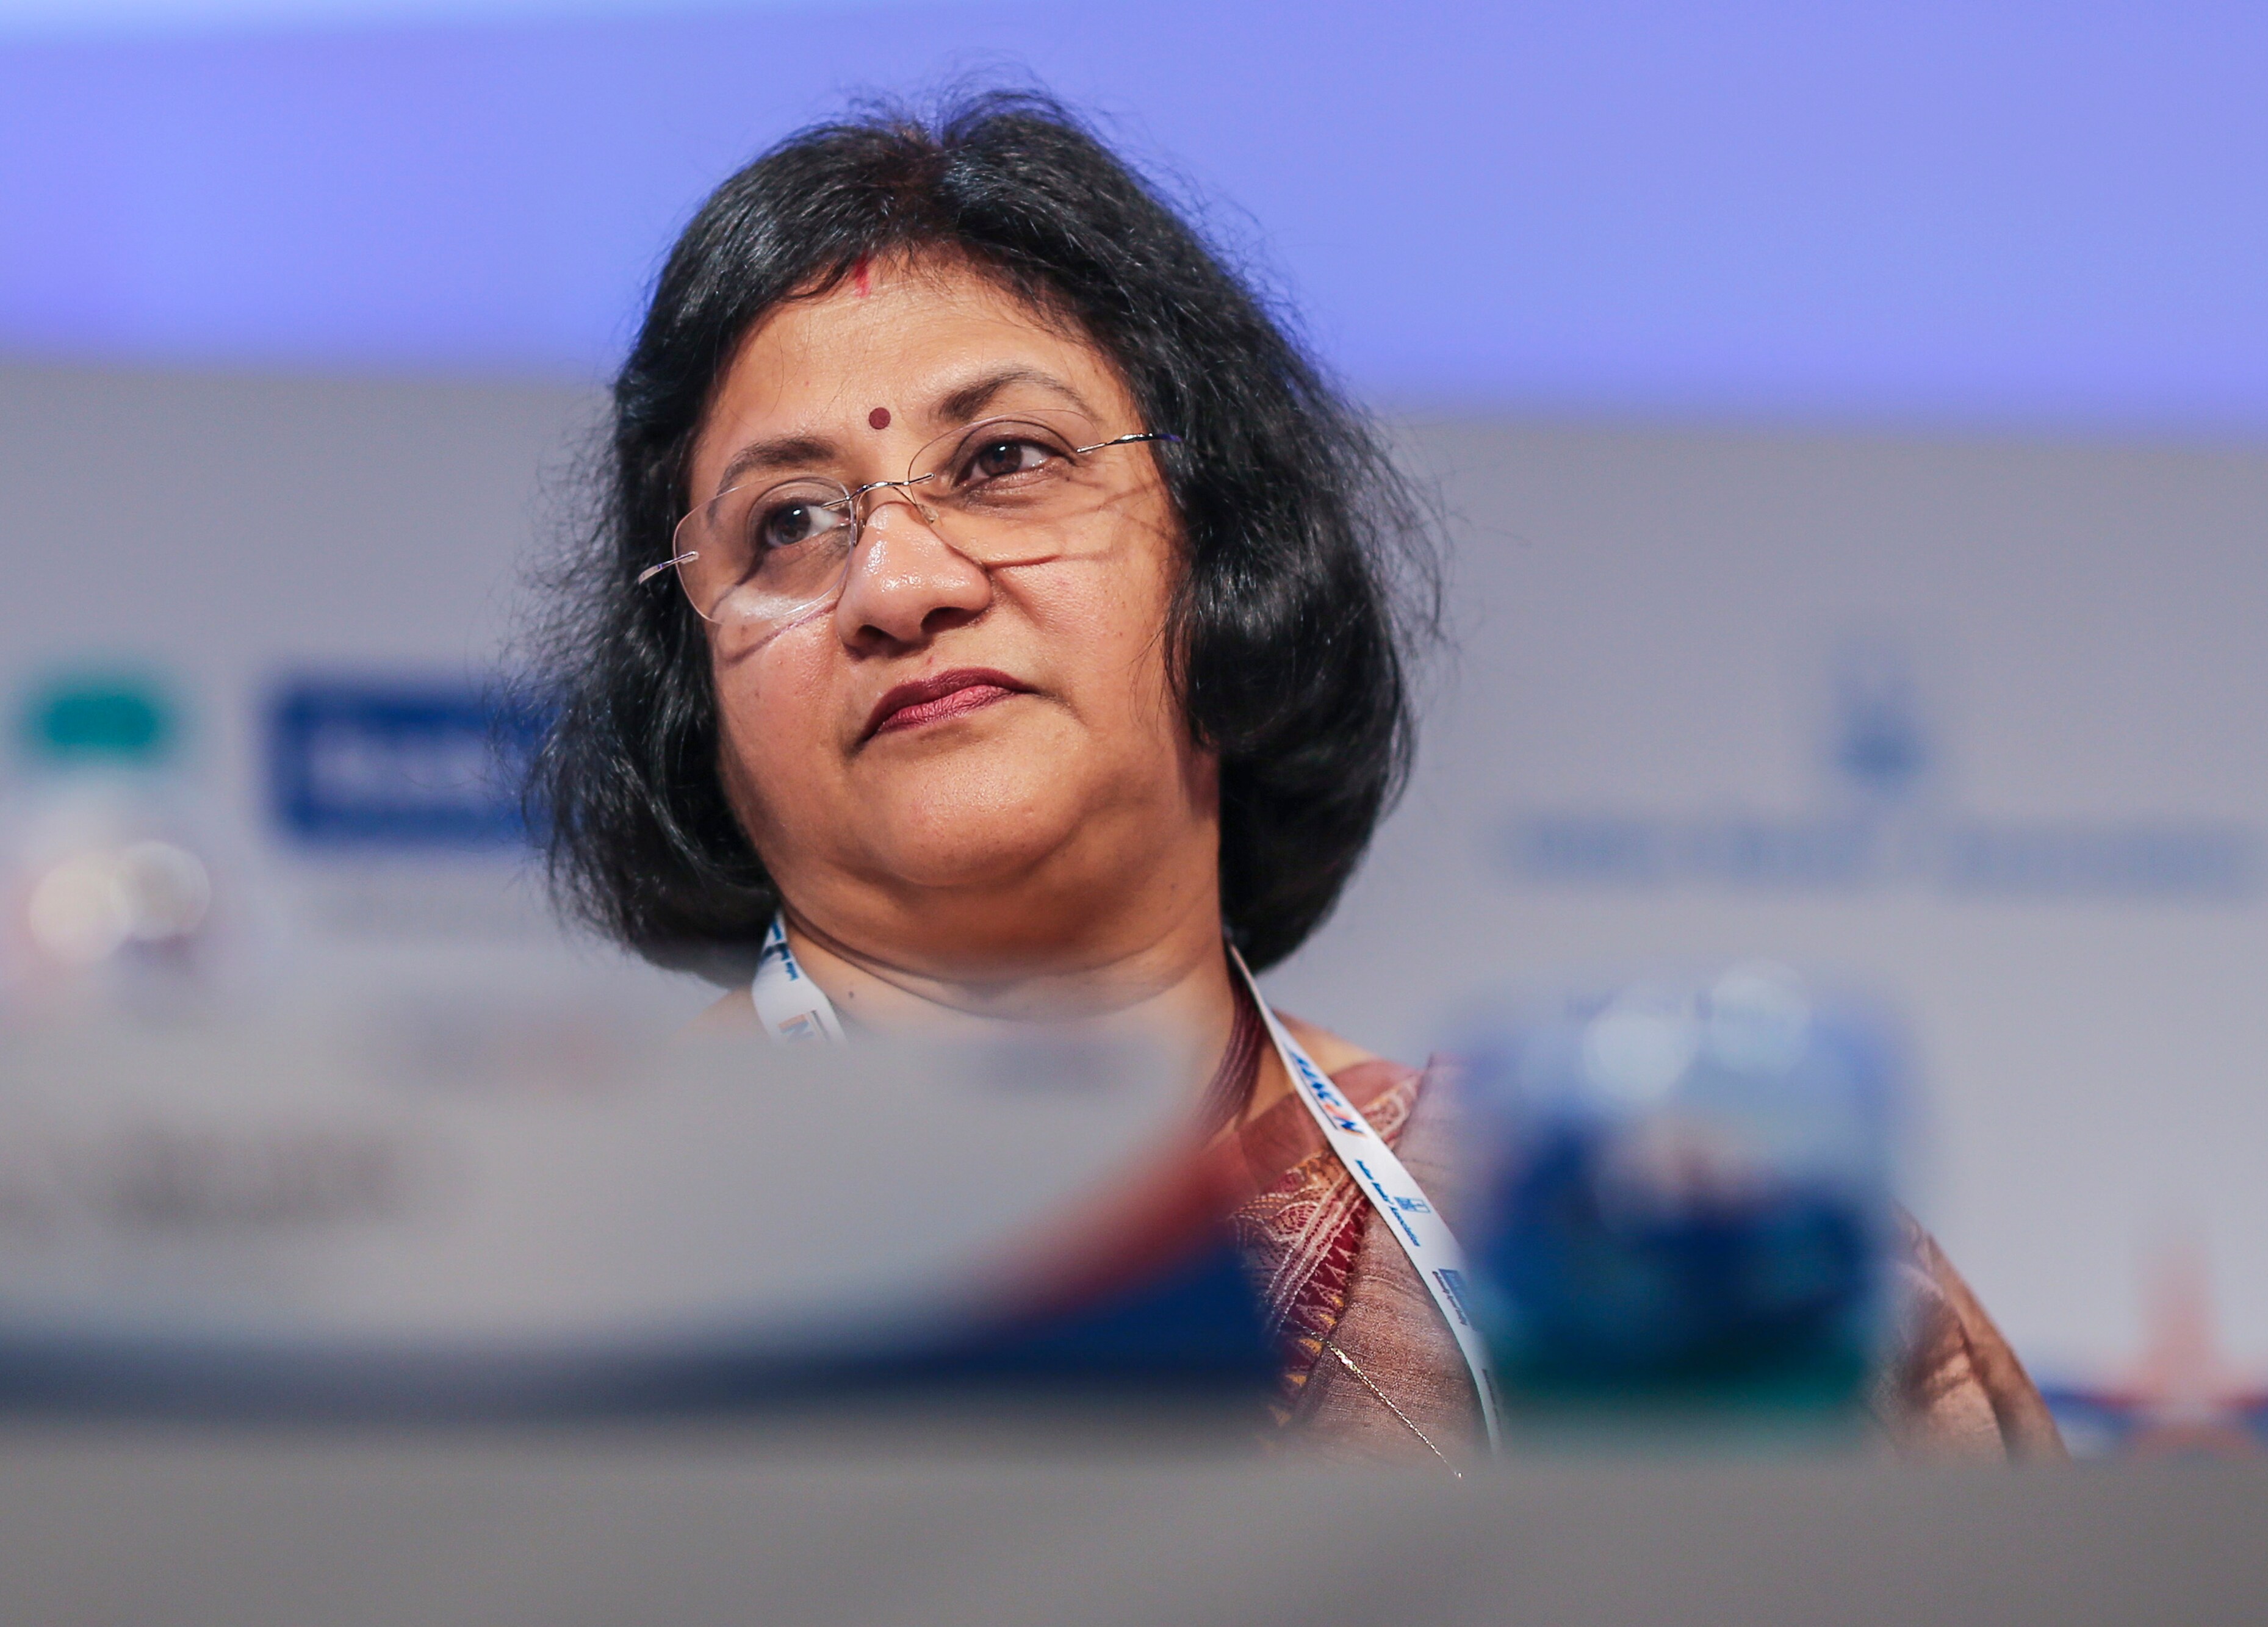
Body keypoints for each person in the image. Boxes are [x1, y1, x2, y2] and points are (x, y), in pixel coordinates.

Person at [528, 92, 2061, 1465]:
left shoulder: (1659, 1262)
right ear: (691, 677)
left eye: (1002, 459)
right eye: (787, 521)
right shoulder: (525, 1264)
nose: (896, 583)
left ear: (1226, 554)